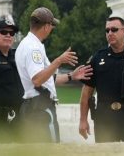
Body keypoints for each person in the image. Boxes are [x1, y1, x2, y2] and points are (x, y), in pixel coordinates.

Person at [15, 7, 92, 143]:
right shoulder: (34, 48)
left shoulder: (26, 44)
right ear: (46, 26)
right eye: (51, 25)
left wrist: (71, 76)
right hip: (40, 107)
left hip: (33, 106)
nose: (51, 29)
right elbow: (38, 80)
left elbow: (47, 79)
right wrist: (59, 61)